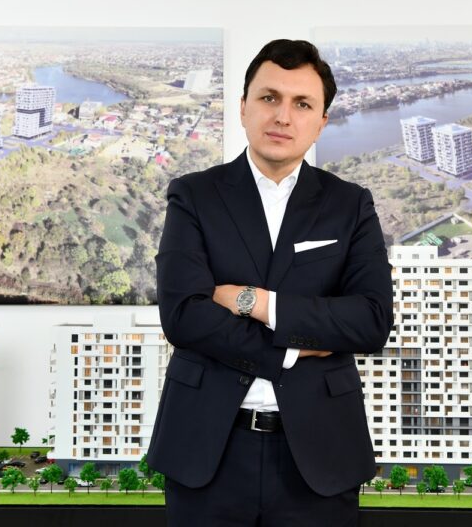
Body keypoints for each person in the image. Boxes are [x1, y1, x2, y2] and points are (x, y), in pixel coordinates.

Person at [147, 39, 393, 526]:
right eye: (269, 98)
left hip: (321, 453)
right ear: (243, 107)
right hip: (206, 449)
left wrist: (256, 302)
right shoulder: (194, 195)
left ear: (321, 121)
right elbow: (184, 316)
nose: (283, 116)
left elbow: (370, 320)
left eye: (302, 104)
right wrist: (296, 347)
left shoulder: (350, 204)